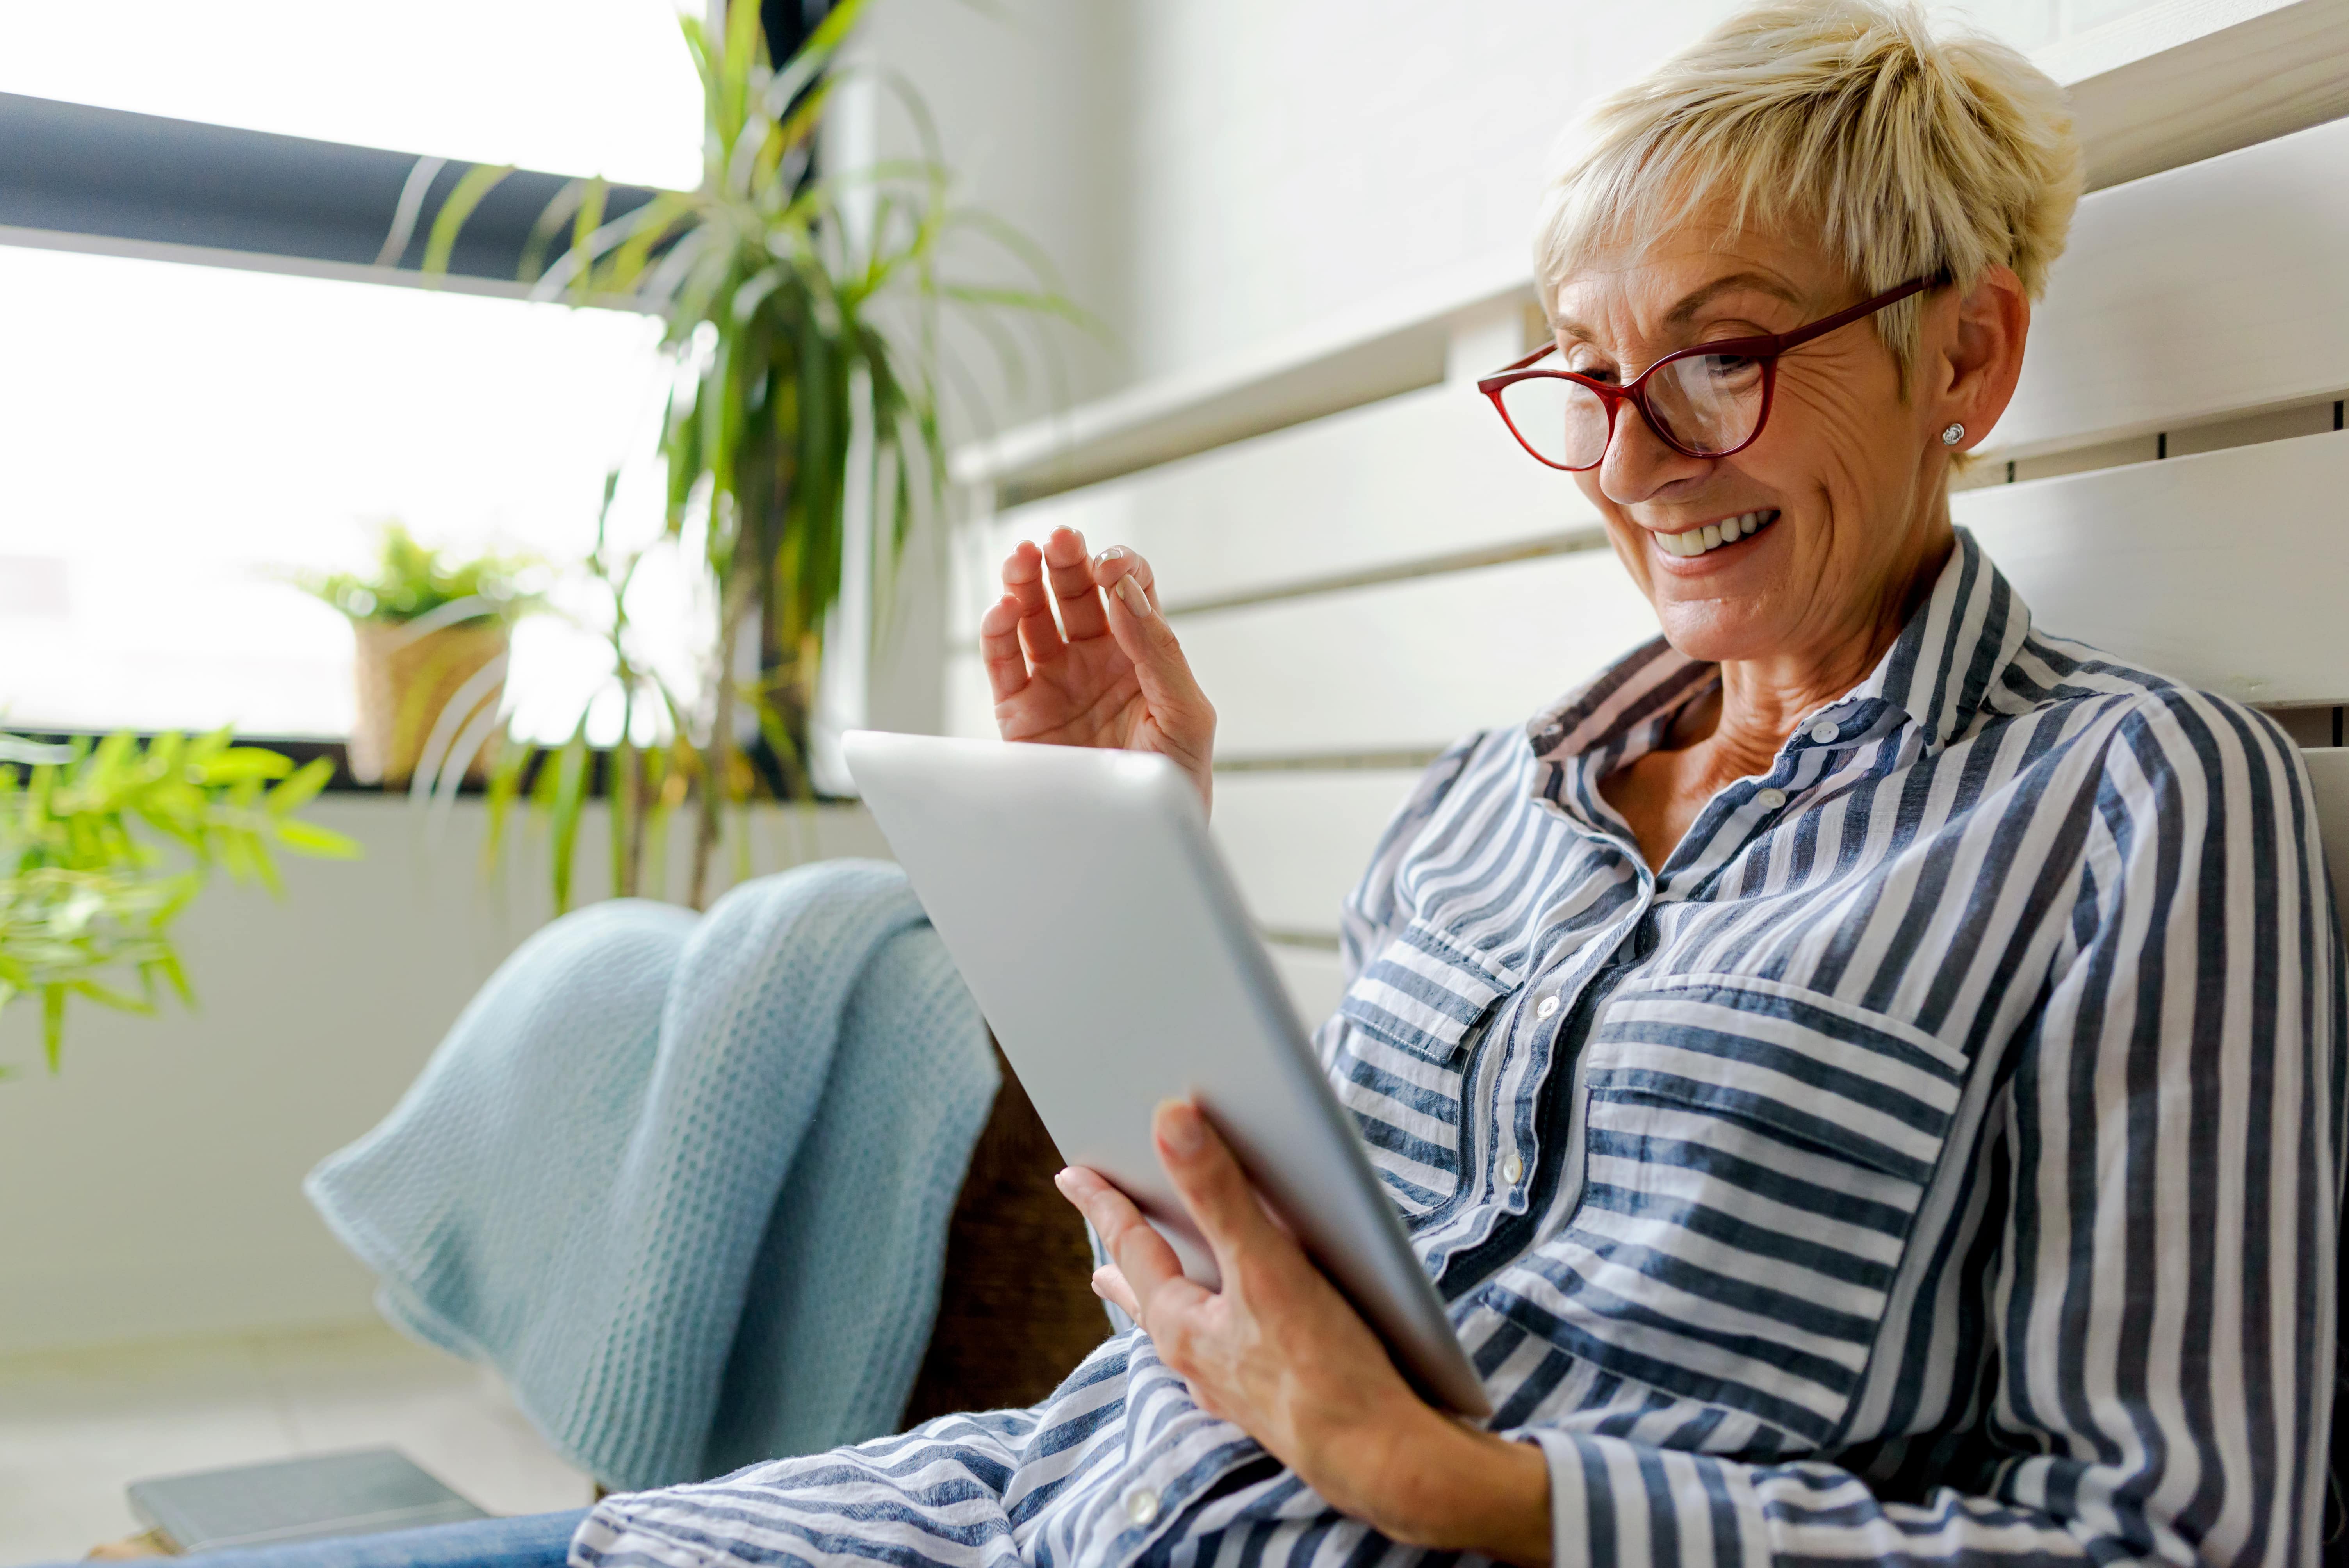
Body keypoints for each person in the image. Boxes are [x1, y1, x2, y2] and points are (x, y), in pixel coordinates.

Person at [76, 3, 2337, 1566]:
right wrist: (1145, 865)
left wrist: (1473, 1496)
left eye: (1722, 360)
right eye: (1590, 377)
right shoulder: (1490, 800)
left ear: (1970, 353)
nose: (1637, 460)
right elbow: (1334, 1241)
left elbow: (2179, 1527)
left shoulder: (2135, 811)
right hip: (1030, 1508)